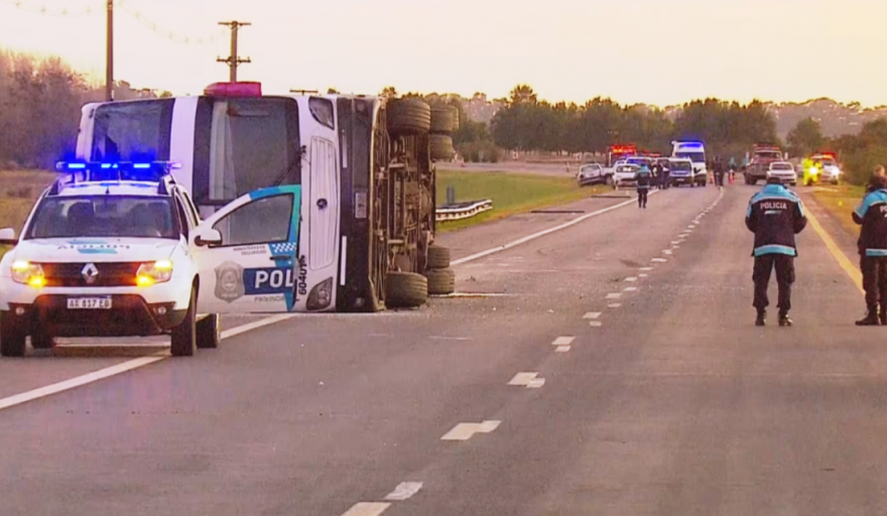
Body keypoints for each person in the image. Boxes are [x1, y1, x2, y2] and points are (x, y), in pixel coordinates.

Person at [745, 176, 808, 326]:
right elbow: (802, 220)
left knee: (761, 281)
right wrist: (790, 231)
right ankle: (783, 315)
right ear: (782, 185)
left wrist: (761, 230)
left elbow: (749, 221)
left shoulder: (757, 198)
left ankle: (760, 314)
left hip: (762, 246)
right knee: (785, 281)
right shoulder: (792, 198)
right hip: (785, 247)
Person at [853, 174, 887, 325]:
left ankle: (873, 314)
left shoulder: (870, 199)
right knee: (885, 282)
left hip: (871, 248)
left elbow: (857, 216)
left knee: (871, 282)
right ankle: (885, 315)